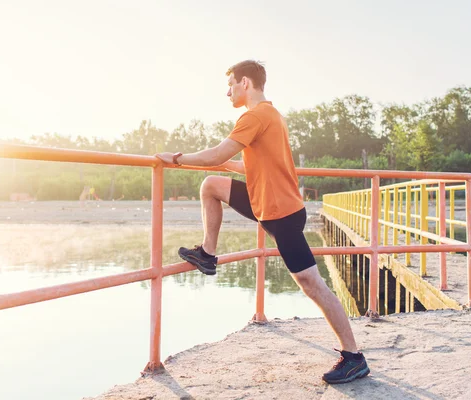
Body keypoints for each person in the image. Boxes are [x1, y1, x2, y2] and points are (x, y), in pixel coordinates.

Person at [155, 60, 369, 384]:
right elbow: (258, 164)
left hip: (281, 213)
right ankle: (207, 254)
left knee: (312, 284)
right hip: (264, 204)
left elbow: (214, 153)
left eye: (230, 85)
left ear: (245, 83)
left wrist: (177, 159)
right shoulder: (271, 114)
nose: (227, 92)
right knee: (211, 186)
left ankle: (354, 356)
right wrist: (231, 166)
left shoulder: (254, 116)